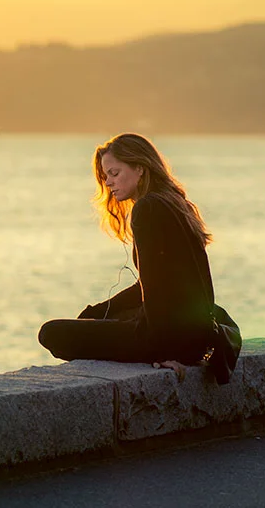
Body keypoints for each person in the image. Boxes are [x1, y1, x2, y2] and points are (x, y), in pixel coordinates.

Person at [38, 132, 228, 380]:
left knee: (50, 333)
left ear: (140, 168)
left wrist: (161, 352)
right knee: (93, 319)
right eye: (105, 177)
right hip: (196, 337)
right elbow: (156, 283)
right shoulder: (175, 203)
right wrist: (100, 311)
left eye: (114, 174)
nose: (108, 182)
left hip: (169, 338)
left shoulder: (147, 208)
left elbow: (155, 289)